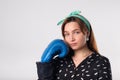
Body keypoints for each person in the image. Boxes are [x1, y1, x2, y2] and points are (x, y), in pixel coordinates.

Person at [36, 11, 112, 80]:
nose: (71, 38)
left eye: (76, 32)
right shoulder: (58, 61)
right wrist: (45, 63)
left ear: (87, 33)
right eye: (67, 34)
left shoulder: (101, 62)